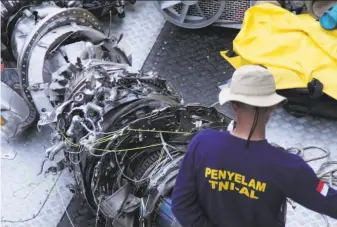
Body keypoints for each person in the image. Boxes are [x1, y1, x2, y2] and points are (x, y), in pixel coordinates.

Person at [171, 65, 337, 227]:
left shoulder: (202, 143)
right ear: (272, 106)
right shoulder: (289, 167)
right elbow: (329, 201)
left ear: (233, 104)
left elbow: (181, 205)